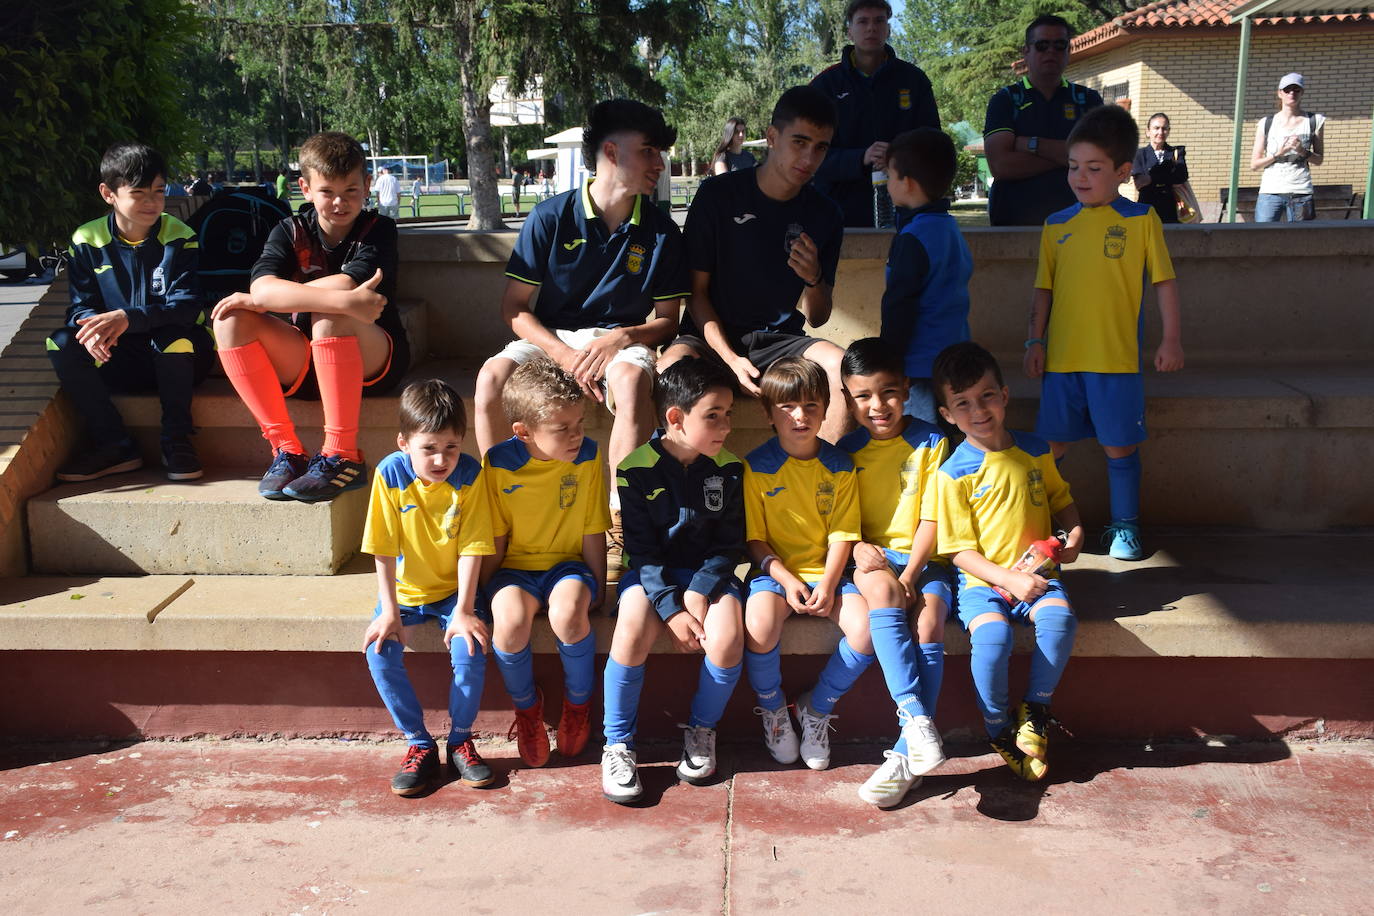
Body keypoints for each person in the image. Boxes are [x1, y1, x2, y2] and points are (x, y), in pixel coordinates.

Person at [474, 99, 686, 580]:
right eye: (649, 151)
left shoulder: (661, 230)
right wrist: (565, 354)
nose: (659, 163)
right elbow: (514, 310)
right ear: (610, 153)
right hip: (553, 339)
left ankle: (618, 522)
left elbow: (669, 320)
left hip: (621, 339)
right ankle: (498, 511)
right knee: (490, 379)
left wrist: (622, 337)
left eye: (660, 153)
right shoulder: (551, 217)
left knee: (632, 382)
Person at [211, 130, 409, 503]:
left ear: (368, 186)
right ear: (305, 187)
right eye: (327, 191)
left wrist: (273, 298)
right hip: (306, 359)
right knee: (229, 319)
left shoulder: (378, 230)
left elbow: (349, 284)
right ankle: (286, 450)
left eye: (351, 191)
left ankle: (341, 456)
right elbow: (263, 290)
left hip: (373, 357)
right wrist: (260, 300)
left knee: (331, 312)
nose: (339, 202)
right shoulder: (289, 230)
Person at [1023, 105, 1184, 561]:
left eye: (1094, 168)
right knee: (1051, 448)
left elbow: (1164, 283)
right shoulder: (1056, 225)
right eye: (1074, 167)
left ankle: (1125, 527)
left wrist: (1171, 340)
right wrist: (1035, 341)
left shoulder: (1141, 220)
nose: (1081, 176)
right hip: (1061, 363)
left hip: (1116, 362)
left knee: (1120, 447)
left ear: (1122, 171)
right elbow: (1042, 292)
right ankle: (1040, 527)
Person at [661, 86, 849, 443]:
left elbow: (819, 316)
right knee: (669, 370)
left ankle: (823, 479)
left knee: (842, 368)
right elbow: (696, 295)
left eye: (820, 147)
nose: (809, 158)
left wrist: (814, 278)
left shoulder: (826, 214)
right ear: (772, 137)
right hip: (708, 337)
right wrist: (731, 359)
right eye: (800, 142)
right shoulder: (719, 195)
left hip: (779, 340)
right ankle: (674, 486)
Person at [933, 341, 1085, 781]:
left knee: (1060, 621)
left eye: (985, 396)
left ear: (1003, 394)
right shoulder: (953, 473)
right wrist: (1006, 580)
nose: (977, 410)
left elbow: (1063, 500)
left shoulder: (1037, 451)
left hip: (1038, 575)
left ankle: (1035, 707)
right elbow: (959, 552)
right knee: (994, 639)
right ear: (946, 414)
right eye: (961, 403)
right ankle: (998, 726)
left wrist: (1073, 532)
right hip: (983, 584)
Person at [600, 359, 746, 804]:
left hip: (710, 576)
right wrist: (672, 607)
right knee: (630, 629)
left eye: (728, 414)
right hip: (651, 577)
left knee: (727, 638)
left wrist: (699, 591)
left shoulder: (730, 468)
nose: (724, 425)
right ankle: (618, 743)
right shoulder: (635, 469)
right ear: (675, 418)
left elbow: (730, 545)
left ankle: (702, 731)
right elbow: (641, 552)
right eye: (713, 415)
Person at [47, 142, 214, 482]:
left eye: (158, 191)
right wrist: (89, 330)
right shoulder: (86, 239)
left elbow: (185, 307)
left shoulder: (180, 237)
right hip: (118, 358)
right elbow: (81, 304)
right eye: (138, 193)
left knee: (175, 337)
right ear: (108, 193)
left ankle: (176, 440)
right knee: (61, 342)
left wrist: (127, 318)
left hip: (179, 359)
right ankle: (116, 445)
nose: (152, 202)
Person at [361, 380, 496, 796]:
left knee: (470, 649)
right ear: (404, 442)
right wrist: (388, 610)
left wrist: (464, 610)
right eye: (429, 448)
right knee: (379, 651)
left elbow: (473, 546)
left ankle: (460, 739)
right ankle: (418, 743)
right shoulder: (389, 474)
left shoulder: (471, 475)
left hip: (455, 594)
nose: (441, 459)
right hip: (404, 592)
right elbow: (382, 548)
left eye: (451, 447)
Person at [837, 338, 952, 808]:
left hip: (928, 559)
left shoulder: (932, 441)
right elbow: (843, 523)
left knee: (928, 622)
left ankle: (907, 755)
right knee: (881, 587)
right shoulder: (844, 452)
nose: (877, 405)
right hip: (874, 559)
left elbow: (931, 517)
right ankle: (915, 718)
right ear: (848, 399)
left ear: (906, 389)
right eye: (862, 396)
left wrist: (914, 575)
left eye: (888, 392)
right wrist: (861, 547)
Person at [741, 357, 870, 771]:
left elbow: (843, 535)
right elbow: (754, 541)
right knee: (759, 628)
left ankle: (816, 707)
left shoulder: (840, 467)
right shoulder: (755, 466)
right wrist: (786, 578)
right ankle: (775, 710)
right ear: (768, 413)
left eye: (811, 405)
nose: (800, 416)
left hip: (828, 573)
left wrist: (829, 585)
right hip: (776, 573)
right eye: (787, 407)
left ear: (827, 406)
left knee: (867, 630)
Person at [483, 358, 610, 769]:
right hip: (514, 569)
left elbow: (593, 525)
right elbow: (497, 534)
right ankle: (527, 709)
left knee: (570, 612)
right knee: (511, 621)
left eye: (579, 424)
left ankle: (578, 704)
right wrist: (483, 593)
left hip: (567, 564)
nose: (575, 436)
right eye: (562, 429)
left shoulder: (588, 456)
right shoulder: (498, 464)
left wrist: (601, 586)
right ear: (523, 432)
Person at [810, 0, 940, 228]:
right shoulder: (825, 86)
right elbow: (811, 156)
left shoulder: (914, 80)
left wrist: (897, 155)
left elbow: (934, 144)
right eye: (863, 21)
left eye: (879, 21)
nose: (871, 28)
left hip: (906, 213)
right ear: (850, 31)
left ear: (888, 29)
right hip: (839, 215)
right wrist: (861, 157)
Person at [878, 127, 972, 424]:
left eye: (890, 177)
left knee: (922, 446)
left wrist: (887, 359)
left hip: (919, 366)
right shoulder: (949, 228)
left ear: (907, 183)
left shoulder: (914, 237)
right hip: (955, 360)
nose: (887, 184)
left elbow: (899, 305)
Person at [984, 15, 1104, 227]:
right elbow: (1000, 166)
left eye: (1059, 45)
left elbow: (1100, 161)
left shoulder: (1088, 100)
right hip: (1014, 224)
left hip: (1079, 224)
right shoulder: (1005, 100)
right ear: (1026, 52)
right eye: (1042, 45)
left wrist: (1031, 144)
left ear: (1069, 51)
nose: (1051, 51)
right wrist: (1071, 157)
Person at [1250, 73, 1325, 222]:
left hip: (1301, 191)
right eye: (1287, 90)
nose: (1292, 93)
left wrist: (1302, 151)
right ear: (1280, 93)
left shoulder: (1314, 120)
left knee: (1301, 240)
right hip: (1270, 191)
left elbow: (1319, 160)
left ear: (1302, 93)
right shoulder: (1266, 123)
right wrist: (1278, 154)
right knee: (1263, 238)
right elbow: (1254, 165)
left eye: (1296, 90)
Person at [1131, 113, 1189, 224]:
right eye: (1156, 128)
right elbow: (1139, 182)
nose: (1160, 132)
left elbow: (1181, 177)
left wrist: (1150, 179)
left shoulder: (1176, 152)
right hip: (1146, 208)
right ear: (1148, 131)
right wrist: (1167, 177)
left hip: (1170, 210)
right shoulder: (1139, 154)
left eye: (1164, 128)